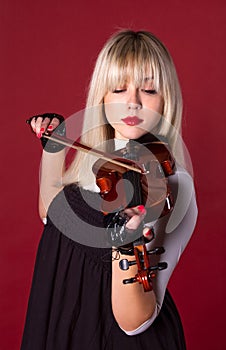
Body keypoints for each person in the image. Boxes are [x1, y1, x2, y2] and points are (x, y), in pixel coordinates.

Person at [21, 30, 198, 349]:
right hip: (62, 324)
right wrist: (55, 145)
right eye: (118, 88)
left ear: (166, 98)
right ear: (102, 97)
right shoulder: (98, 164)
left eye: (148, 89)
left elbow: (134, 323)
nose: (133, 102)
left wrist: (126, 239)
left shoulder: (170, 184)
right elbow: (51, 214)